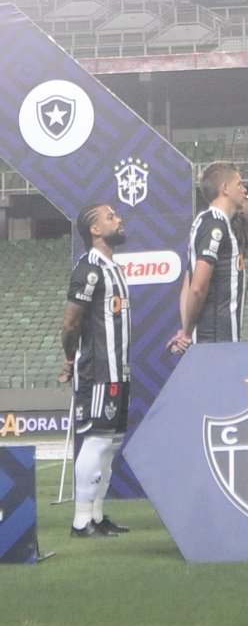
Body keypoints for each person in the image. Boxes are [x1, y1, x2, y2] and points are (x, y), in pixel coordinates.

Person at [60, 204, 133, 537]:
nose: (118, 220)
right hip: (99, 371)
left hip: (119, 371)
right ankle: (79, 522)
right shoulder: (89, 268)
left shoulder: (113, 268)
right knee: (97, 442)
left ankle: (97, 516)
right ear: (94, 230)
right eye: (110, 217)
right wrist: (70, 359)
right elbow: (70, 322)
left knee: (111, 444)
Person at [169, 161, 248, 353]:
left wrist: (186, 331)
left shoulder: (202, 222)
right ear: (225, 188)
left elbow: (188, 283)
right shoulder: (215, 226)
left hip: (207, 341)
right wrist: (187, 333)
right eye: (239, 183)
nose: (244, 189)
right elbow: (197, 288)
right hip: (217, 343)